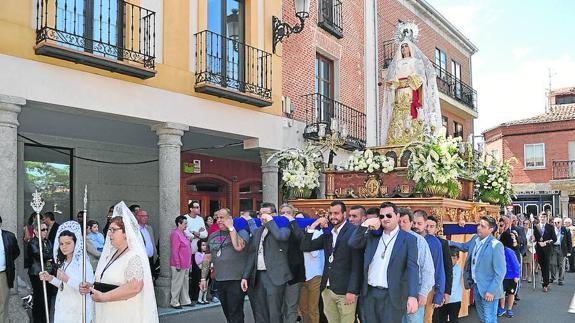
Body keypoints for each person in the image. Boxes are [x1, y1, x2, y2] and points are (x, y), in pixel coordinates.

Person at [82, 201, 158, 323]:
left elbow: (135, 286)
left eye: (113, 230)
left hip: (122, 315)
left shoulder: (133, 256)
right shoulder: (112, 253)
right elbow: (111, 282)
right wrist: (92, 287)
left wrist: (103, 297)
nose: (109, 233)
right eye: (109, 229)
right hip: (107, 314)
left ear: (126, 233)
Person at [349, 201, 419, 322]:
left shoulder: (409, 239)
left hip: (392, 296)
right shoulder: (372, 236)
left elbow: (413, 268)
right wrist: (365, 224)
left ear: (397, 216)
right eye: (381, 216)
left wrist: (413, 296)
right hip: (369, 294)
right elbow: (353, 243)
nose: (385, 219)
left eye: (389, 215)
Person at [381, 22, 442, 146]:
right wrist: (393, 84)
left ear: (410, 48)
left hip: (410, 92)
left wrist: (412, 80)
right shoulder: (397, 64)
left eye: (406, 46)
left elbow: (422, 79)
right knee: (398, 117)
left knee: (410, 115)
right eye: (402, 47)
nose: (404, 49)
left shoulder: (416, 62)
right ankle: (396, 141)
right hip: (399, 94)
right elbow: (394, 79)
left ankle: (413, 139)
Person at [302, 200, 362, 323]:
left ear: (344, 214)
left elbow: (357, 265)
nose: (333, 217)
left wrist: (352, 290)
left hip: (346, 291)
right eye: (330, 213)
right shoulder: (328, 233)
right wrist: (313, 226)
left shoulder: (354, 231)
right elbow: (306, 247)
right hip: (327, 290)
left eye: (336, 213)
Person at [241, 202, 292, 323]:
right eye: (260, 214)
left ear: (274, 215)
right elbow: (252, 254)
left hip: (274, 277)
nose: (262, 217)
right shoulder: (258, 231)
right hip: (257, 277)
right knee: (259, 312)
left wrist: (270, 222)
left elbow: (281, 237)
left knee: (274, 313)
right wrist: (245, 276)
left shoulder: (282, 227)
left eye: (266, 214)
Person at [449, 216, 506, 323]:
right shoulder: (475, 239)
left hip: (489, 290)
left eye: (483, 226)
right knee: (482, 319)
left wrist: (491, 291)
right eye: (479, 225)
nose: (479, 228)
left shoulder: (496, 245)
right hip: (477, 287)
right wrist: (445, 242)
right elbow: (463, 246)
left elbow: (500, 272)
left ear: (491, 229)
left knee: (489, 319)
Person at [39, 221, 95, 322]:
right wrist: (50, 278)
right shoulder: (64, 262)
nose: (64, 247)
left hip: (77, 309)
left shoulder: (82, 263)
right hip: (63, 306)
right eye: (61, 244)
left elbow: (88, 287)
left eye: (68, 243)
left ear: (76, 242)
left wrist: (67, 279)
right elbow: (63, 286)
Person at [203, 208, 250, 323]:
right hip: (220, 279)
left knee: (235, 312)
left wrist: (231, 228)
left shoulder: (241, 232)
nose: (218, 220)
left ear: (230, 219)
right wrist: (203, 278)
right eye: (217, 218)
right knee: (227, 312)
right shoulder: (212, 235)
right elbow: (207, 257)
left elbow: (238, 247)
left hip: (236, 279)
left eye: (222, 218)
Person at [397, 208, 434, 323]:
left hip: (414, 291)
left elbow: (427, 269)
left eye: (404, 221)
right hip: (395, 292)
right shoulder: (391, 239)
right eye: (399, 222)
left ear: (411, 223)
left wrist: (423, 293)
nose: (401, 225)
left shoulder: (419, 241)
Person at [296, 212, 324, 323]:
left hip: (314, 275)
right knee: (303, 308)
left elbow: (313, 252)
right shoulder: (298, 235)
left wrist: (308, 233)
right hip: (302, 275)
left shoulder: (316, 233)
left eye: (300, 221)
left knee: (313, 308)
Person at [279, 203, 305, 323]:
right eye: (282, 213)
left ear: (293, 215)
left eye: (288, 213)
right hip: (278, 274)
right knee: (279, 308)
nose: (285, 215)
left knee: (291, 307)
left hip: (294, 273)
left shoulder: (297, 226)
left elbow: (301, 238)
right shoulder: (276, 226)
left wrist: (292, 222)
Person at [425, 214, 453, 322]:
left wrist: (446, 291)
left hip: (436, 286)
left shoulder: (442, 243)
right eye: (427, 226)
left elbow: (447, 268)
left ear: (436, 229)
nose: (428, 229)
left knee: (435, 316)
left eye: (432, 226)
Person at [28, 221, 54, 323]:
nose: (45, 232)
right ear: (35, 231)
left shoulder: (48, 242)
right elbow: (38, 255)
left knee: (48, 297)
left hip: (49, 272)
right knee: (39, 298)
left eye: (46, 229)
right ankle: (38, 320)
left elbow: (52, 253)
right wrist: (49, 257)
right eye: (42, 230)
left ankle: (46, 318)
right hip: (37, 273)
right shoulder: (33, 242)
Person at [183, 201, 207, 303]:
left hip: (198, 251)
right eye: (196, 207)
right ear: (191, 209)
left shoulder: (200, 219)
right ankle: (188, 296)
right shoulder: (185, 218)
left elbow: (205, 233)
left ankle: (196, 297)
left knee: (198, 274)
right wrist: (195, 233)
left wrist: (195, 233)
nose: (198, 209)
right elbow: (186, 232)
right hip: (188, 250)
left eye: (198, 207)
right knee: (188, 275)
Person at [0, 216, 20, 322]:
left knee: (3, 304)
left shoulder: (9, 236)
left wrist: (8, 260)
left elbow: (16, 252)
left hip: (3, 274)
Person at [169, 215, 192, 309]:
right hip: (179, 264)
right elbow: (175, 250)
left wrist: (190, 263)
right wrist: (177, 264)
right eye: (185, 223)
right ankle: (174, 302)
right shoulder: (175, 234)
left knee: (185, 283)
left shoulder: (184, 234)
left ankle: (185, 301)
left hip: (186, 263)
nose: (186, 225)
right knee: (177, 283)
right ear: (179, 223)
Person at [497, 231, 521, 318]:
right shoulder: (500, 250)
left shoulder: (509, 251)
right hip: (502, 276)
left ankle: (509, 309)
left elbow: (516, 264)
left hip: (511, 276)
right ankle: (502, 307)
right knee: (502, 293)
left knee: (511, 293)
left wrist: (517, 276)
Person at [436, 246, 463, 323]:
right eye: (449, 257)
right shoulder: (442, 268)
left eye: (454, 258)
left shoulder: (458, 269)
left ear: (458, 259)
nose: (451, 260)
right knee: (441, 319)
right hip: (443, 299)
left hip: (455, 300)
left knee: (453, 320)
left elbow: (453, 284)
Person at [532, 212, 556, 292]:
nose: (543, 218)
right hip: (539, 250)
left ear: (546, 218)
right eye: (541, 217)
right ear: (539, 218)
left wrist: (545, 242)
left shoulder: (550, 227)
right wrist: (533, 239)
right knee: (542, 266)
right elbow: (534, 238)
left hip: (547, 249)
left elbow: (554, 239)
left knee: (546, 266)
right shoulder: (535, 227)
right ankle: (546, 281)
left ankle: (545, 284)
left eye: (544, 217)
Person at [135, 210, 158, 280]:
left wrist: (155, 253)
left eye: (146, 216)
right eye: (143, 216)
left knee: (151, 279)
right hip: (141, 260)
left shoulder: (149, 228)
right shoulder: (135, 230)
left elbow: (152, 242)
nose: (145, 218)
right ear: (137, 217)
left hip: (151, 259)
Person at [550, 217, 572, 285]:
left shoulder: (566, 229)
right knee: (552, 263)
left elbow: (569, 241)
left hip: (562, 248)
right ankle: (553, 277)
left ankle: (561, 279)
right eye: (555, 222)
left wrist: (569, 251)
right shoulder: (552, 229)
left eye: (558, 222)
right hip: (553, 247)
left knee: (561, 265)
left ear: (561, 223)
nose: (556, 224)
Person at [196, 239, 209, 304]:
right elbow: (198, 262)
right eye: (203, 245)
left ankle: (204, 298)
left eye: (205, 245)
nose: (205, 247)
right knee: (201, 286)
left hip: (207, 271)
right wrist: (205, 258)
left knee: (206, 285)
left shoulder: (206, 253)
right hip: (200, 271)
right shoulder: (197, 254)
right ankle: (199, 299)